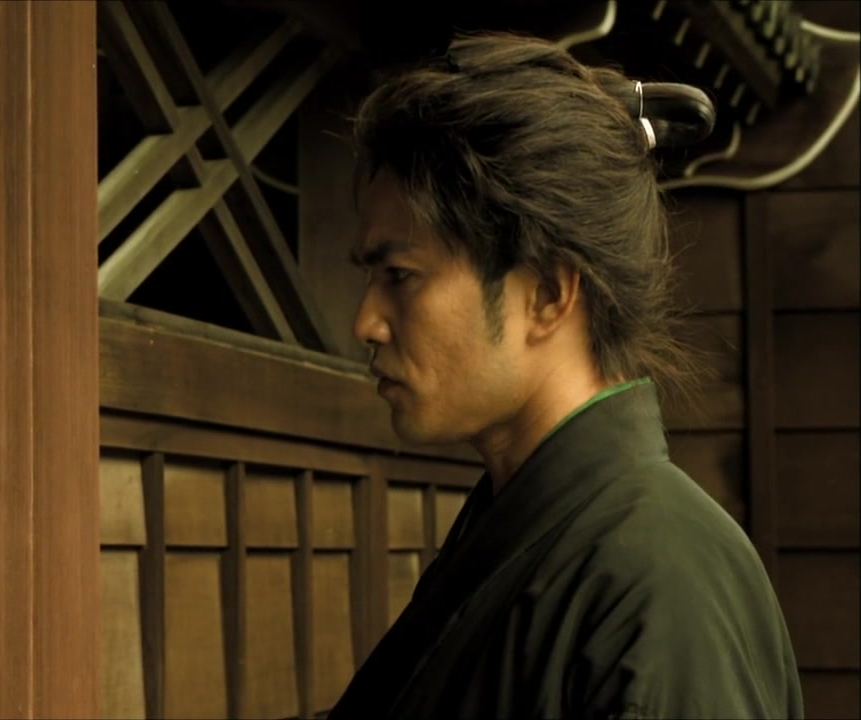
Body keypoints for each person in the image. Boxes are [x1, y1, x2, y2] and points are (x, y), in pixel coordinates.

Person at [329, 31, 803, 719]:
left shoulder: (660, 582)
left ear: (549, 295)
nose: (366, 323)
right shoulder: (523, 529)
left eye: (399, 277)